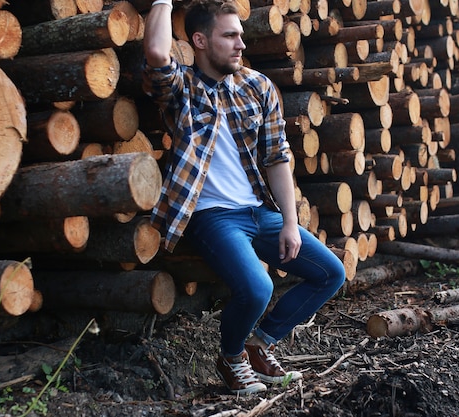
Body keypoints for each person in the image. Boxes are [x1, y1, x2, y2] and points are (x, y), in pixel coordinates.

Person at [142, 0, 346, 395]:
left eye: (241, 35)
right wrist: (163, 2)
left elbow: (277, 156)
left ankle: (260, 344)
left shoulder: (258, 87)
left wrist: (290, 221)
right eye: (230, 35)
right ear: (200, 40)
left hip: (257, 211)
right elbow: (155, 53)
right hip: (211, 216)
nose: (240, 44)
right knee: (258, 288)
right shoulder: (181, 87)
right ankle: (231, 357)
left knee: (330, 273)